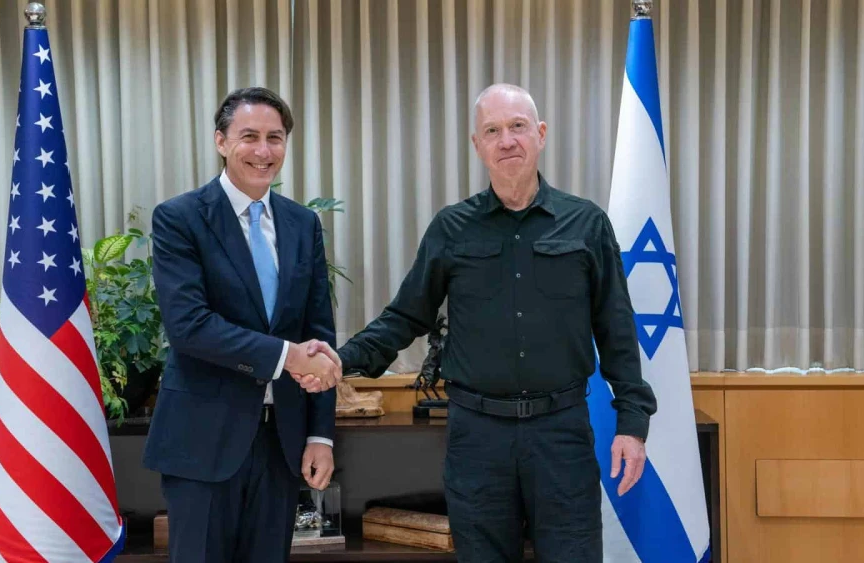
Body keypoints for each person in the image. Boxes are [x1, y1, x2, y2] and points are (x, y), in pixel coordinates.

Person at [327, 83, 657, 562]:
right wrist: (341, 359)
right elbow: (405, 316)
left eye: (518, 127)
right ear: (477, 144)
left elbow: (617, 329)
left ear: (540, 134)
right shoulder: (450, 228)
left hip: (560, 433)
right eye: (493, 130)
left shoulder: (586, 224)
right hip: (477, 437)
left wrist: (632, 423)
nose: (507, 140)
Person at [143, 86, 343, 563]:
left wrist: (320, 436)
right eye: (249, 136)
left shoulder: (301, 224)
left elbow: (320, 334)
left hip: (281, 442)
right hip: (202, 443)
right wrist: (286, 356)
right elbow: (189, 326)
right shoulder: (180, 218)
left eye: (275, 138)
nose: (263, 150)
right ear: (221, 141)